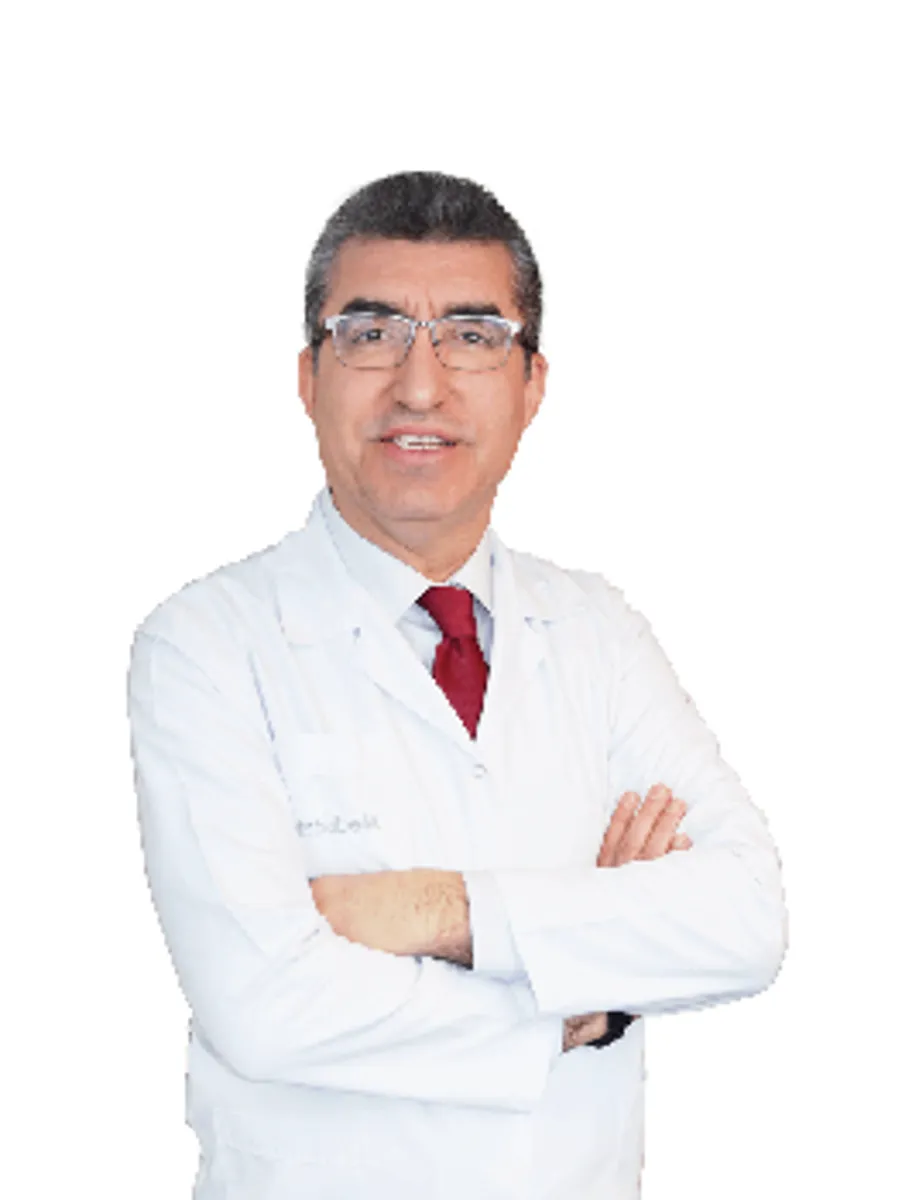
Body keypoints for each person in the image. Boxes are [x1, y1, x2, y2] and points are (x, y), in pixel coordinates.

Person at [127, 170, 787, 1200]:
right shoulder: (206, 645)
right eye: (370, 334)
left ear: (531, 384)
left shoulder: (597, 630)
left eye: (472, 336)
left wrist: (436, 909)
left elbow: (744, 920)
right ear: (308, 376)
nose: (420, 387)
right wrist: (588, 997)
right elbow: (263, 1002)